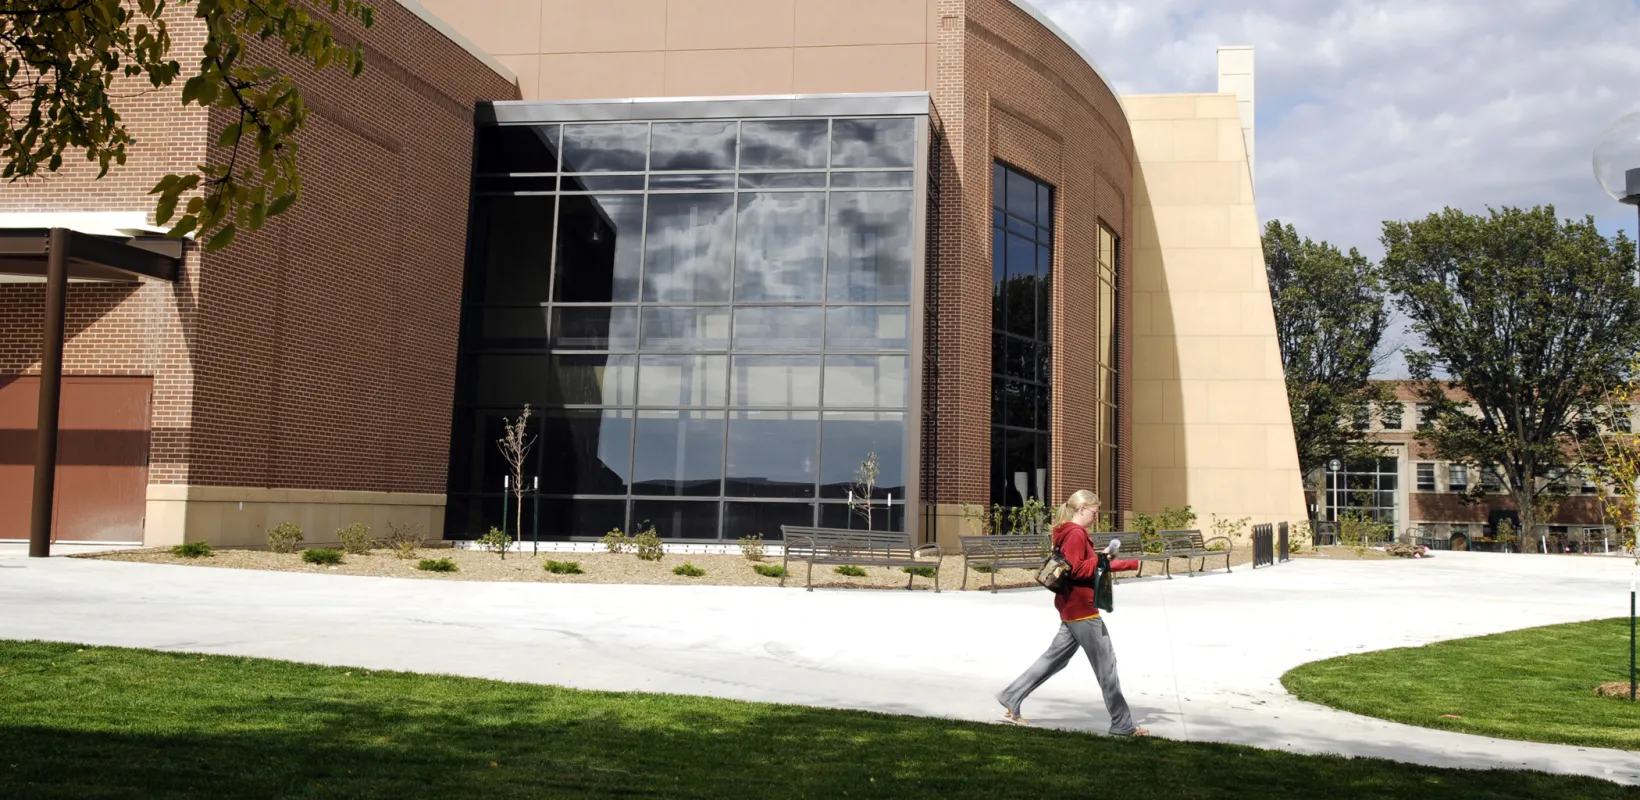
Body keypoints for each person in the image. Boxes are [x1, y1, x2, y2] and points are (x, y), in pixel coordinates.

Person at [995, 489, 1149, 735]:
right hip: (1082, 610)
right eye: (1094, 512)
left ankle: (1011, 697)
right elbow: (1078, 570)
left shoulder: (1066, 531)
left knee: (1053, 659)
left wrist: (1102, 557)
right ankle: (1122, 724)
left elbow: (1076, 564)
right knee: (1106, 667)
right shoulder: (1076, 533)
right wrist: (1120, 562)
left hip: (1070, 607)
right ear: (1082, 509)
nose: (1095, 517)